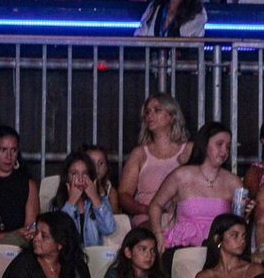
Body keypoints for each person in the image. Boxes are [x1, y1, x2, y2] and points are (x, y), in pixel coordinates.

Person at [148, 121, 239, 249]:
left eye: (228, 146)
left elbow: (238, 220)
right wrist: (158, 236)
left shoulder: (233, 181)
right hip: (183, 247)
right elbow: (155, 205)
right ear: (205, 144)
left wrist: (246, 213)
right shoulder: (181, 175)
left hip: (220, 250)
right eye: (219, 144)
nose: (224, 150)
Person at [118, 92, 190, 227]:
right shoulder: (139, 154)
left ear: (171, 115)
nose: (150, 115)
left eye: (157, 110)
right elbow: (124, 195)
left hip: (181, 219)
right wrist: (147, 209)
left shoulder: (188, 149)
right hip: (146, 220)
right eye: (147, 112)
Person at [57, 150, 117, 248]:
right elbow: (57, 235)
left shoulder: (101, 201)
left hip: (94, 259)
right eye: (75, 174)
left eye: (85, 173)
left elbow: (109, 229)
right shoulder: (57, 203)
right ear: (66, 177)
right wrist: (71, 203)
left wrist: (95, 198)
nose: (80, 179)